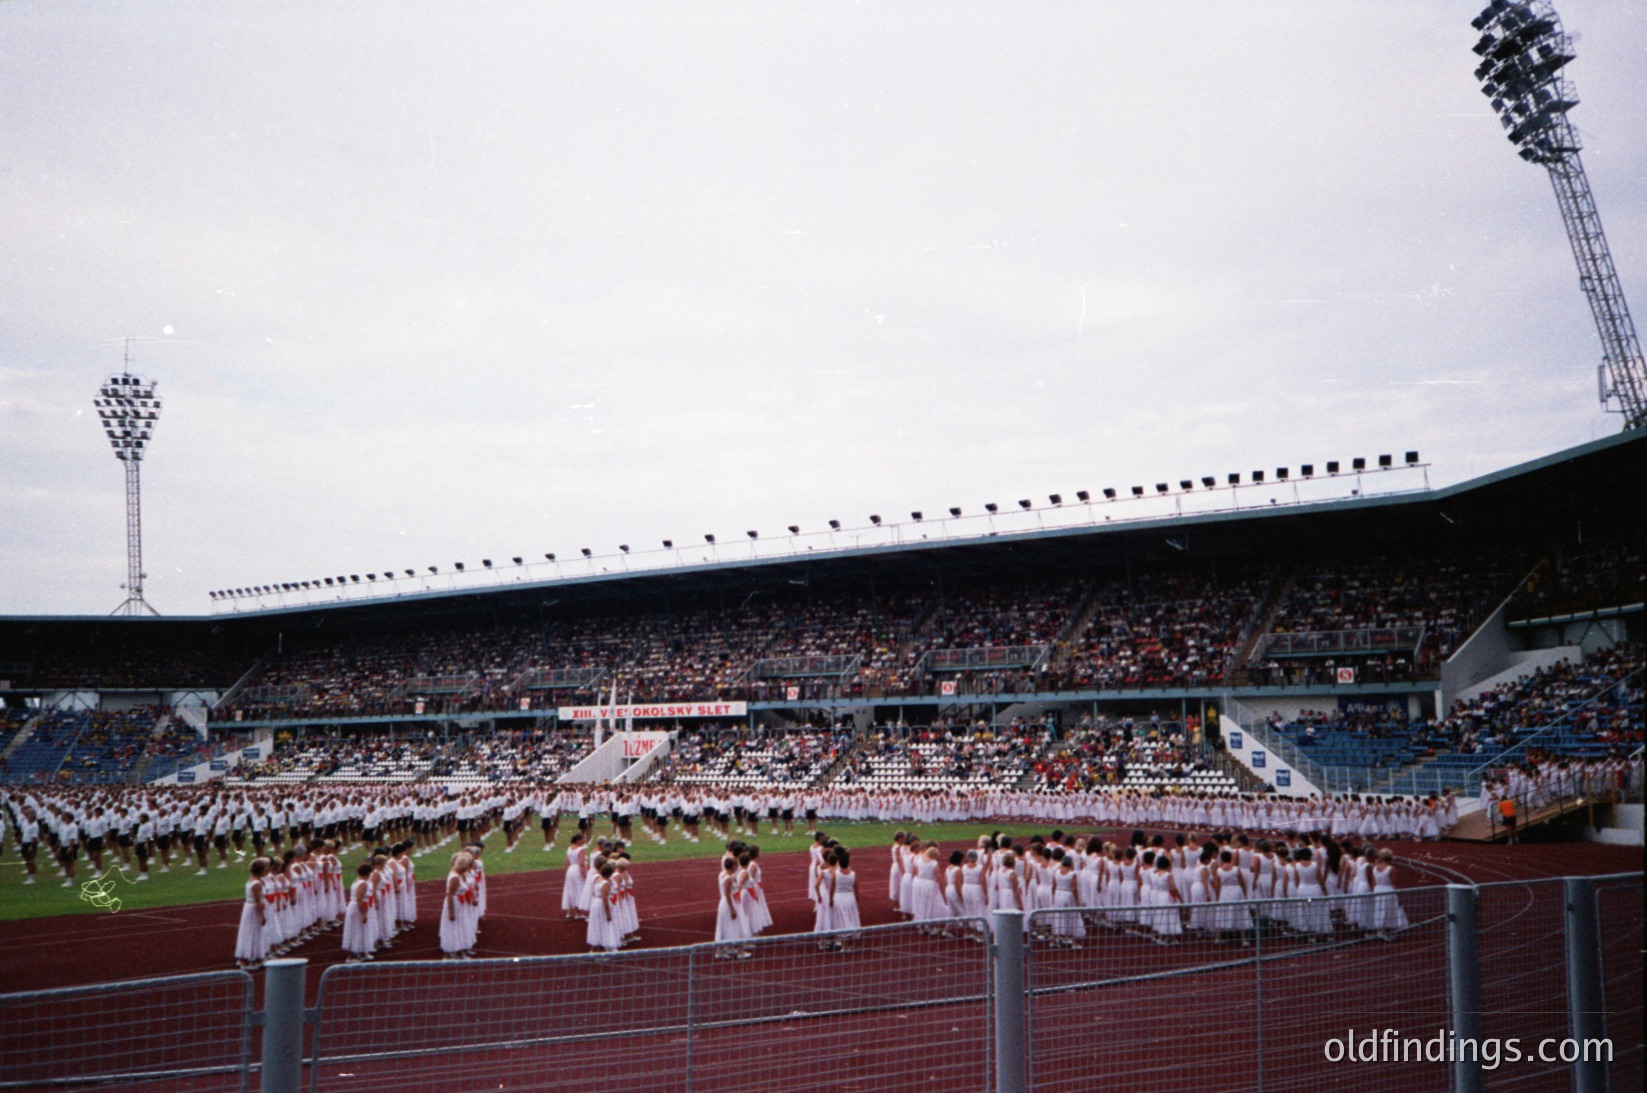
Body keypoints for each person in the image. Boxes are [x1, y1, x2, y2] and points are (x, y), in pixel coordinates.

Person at [234, 858, 270, 969]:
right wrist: (263, 915)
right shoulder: (257, 884)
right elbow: (258, 901)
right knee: (252, 932)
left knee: (249, 932)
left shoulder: (253, 880)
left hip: (250, 908)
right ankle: (248, 959)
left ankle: (248, 957)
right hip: (253, 910)